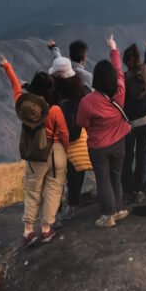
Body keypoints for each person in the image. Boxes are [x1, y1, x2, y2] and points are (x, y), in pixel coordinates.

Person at [0, 57, 69, 247]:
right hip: (55, 154)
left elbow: (15, 87)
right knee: (53, 191)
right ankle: (46, 229)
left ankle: (28, 231)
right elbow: (64, 133)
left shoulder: (24, 106)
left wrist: (7, 67)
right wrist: (66, 151)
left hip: (34, 156)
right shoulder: (54, 110)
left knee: (32, 191)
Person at [76, 34, 131, 227]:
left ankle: (108, 215)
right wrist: (113, 48)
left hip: (98, 146)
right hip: (120, 142)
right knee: (116, 176)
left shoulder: (88, 101)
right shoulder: (120, 91)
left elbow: (81, 122)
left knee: (103, 179)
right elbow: (118, 71)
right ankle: (118, 208)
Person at [50, 56, 90, 222]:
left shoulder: (52, 93)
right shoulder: (81, 90)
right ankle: (73, 204)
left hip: (57, 139)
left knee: (55, 175)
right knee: (76, 172)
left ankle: (55, 212)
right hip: (78, 137)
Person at [121, 40, 146, 203]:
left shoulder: (123, 79)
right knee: (142, 155)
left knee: (127, 156)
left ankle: (127, 190)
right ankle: (140, 190)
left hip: (130, 125)